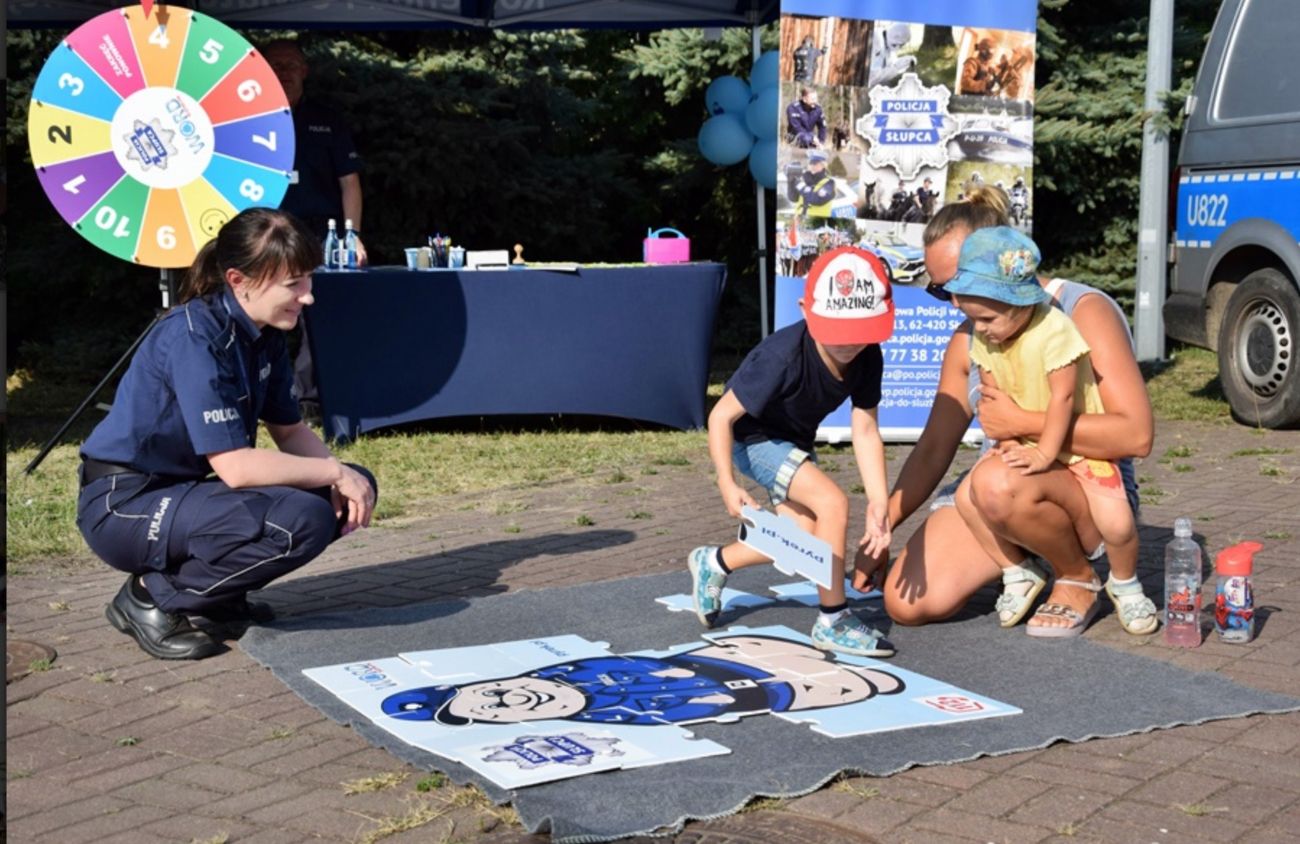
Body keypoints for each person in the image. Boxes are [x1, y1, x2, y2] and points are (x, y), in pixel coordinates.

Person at [76, 208, 379, 661]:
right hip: (125, 504)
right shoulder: (194, 337)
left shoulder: (265, 334)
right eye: (293, 284)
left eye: (308, 279)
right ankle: (149, 597)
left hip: (185, 492)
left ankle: (216, 596)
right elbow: (236, 468)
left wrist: (342, 478)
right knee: (302, 518)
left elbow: (290, 431)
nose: (309, 296)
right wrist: (333, 471)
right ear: (240, 281)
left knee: (347, 490)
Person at [854, 186, 1156, 637]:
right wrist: (883, 528)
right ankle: (1023, 558)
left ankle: (1077, 576)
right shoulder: (970, 337)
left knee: (998, 482)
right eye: (939, 290)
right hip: (1002, 486)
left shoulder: (1081, 312)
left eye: (957, 285)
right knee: (905, 602)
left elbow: (1136, 435)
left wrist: (1022, 422)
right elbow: (935, 446)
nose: (954, 303)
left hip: (1084, 482)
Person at [942, 226, 1154, 637]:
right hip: (1028, 443)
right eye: (973, 319)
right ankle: (1017, 570)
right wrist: (1005, 444)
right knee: (969, 497)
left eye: (987, 319)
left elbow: (1062, 398)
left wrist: (1042, 453)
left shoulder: (1055, 330)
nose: (979, 329)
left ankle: (1125, 582)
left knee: (1118, 524)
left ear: (1019, 304)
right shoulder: (985, 335)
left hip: (1081, 450)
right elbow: (993, 397)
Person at [687, 246, 898, 657]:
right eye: (838, 333)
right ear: (806, 310)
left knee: (803, 540)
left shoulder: (868, 355)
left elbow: (866, 429)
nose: (849, 344)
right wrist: (726, 482)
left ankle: (715, 561)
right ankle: (833, 619)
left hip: (793, 442)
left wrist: (879, 500)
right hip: (751, 440)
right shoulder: (781, 356)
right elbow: (720, 417)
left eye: (860, 332)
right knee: (833, 503)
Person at [382, 635, 904, 727]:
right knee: (857, 686)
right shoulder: (603, 714)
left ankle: (828, 675)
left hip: (719, 663)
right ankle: (852, 683)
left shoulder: (570, 674)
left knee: (782, 654)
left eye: (491, 693)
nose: (509, 698)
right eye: (497, 710)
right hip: (752, 693)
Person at [263, 38, 366, 411]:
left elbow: (349, 182)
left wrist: (352, 236)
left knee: (316, 317)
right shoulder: (248, 118)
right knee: (263, 312)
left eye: (291, 64)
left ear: (304, 71)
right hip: (265, 233)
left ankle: (307, 402)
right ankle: (262, 396)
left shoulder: (327, 120)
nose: (284, 72)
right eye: (276, 64)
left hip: (320, 235)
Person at [869, 22, 916, 89]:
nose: (899, 48)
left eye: (902, 45)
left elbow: (891, 65)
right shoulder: (875, 41)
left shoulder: (888, 42)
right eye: (901, 45)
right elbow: (871, 78)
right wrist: (896, 68)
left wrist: (904, 63)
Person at [792, 150, 836, 218]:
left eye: (815, 164)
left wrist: (802, 187)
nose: (812, 166)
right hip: (799, 219)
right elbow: (793, 198)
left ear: (823, 165)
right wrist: (790, 181)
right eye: (810, 163)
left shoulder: (829, 183)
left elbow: (817, 200)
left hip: (817, 220)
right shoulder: (803, 179)